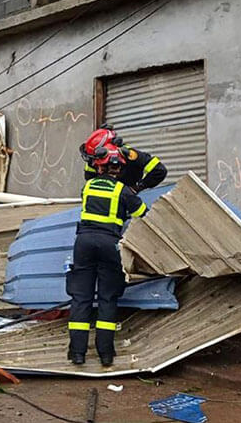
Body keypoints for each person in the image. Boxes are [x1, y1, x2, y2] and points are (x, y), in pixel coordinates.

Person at [68, 145, 147, 367]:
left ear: (99, 167)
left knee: (81, 297)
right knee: (107, 298)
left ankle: (77, 354)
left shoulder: (88, 187)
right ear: (119, 169)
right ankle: (105, 355)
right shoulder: (123, 191)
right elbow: (142, 213)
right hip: (109, 244)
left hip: (83, 243)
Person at [79, 125, 167, 193]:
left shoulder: (130, 155)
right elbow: (89, 179)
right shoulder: (93, 160)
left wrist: (138, 187)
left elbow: (159, 170)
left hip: (128, 201)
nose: (94, 163)